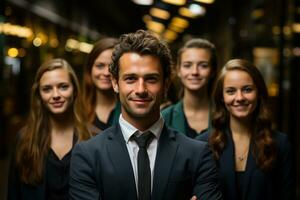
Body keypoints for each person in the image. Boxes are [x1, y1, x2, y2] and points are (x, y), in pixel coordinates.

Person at [69, 30, 222, 200]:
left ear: (165, 84)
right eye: (130, 79)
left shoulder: (197, 154)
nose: (141, 90)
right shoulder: (87, 155)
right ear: (115, 83)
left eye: (151, 79)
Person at [196, 59, 294, 200]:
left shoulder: (280, 144)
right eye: (230, 91)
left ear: (259, 93)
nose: (240, 97)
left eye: (247, 89)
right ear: (222, 98)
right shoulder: (202, 145)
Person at [7, 58, 91, 199]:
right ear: (39, 95)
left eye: (63, 86)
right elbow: (13, 194)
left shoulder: (94, 138)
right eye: (47, 89)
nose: (56, 95)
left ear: (75, 90)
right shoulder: (24, 140)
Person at [162, 38, 218, 138]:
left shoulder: (224, 114)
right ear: (178, 70)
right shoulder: (164, 117)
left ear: (213, 71)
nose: (194, 72)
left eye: (203, 66)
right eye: (187, 65)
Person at [82, 37, 121, 134]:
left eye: (112, 67)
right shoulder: (77, 109)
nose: (106, 73)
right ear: (90, 69)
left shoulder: (130, 110)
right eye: (100, 66)